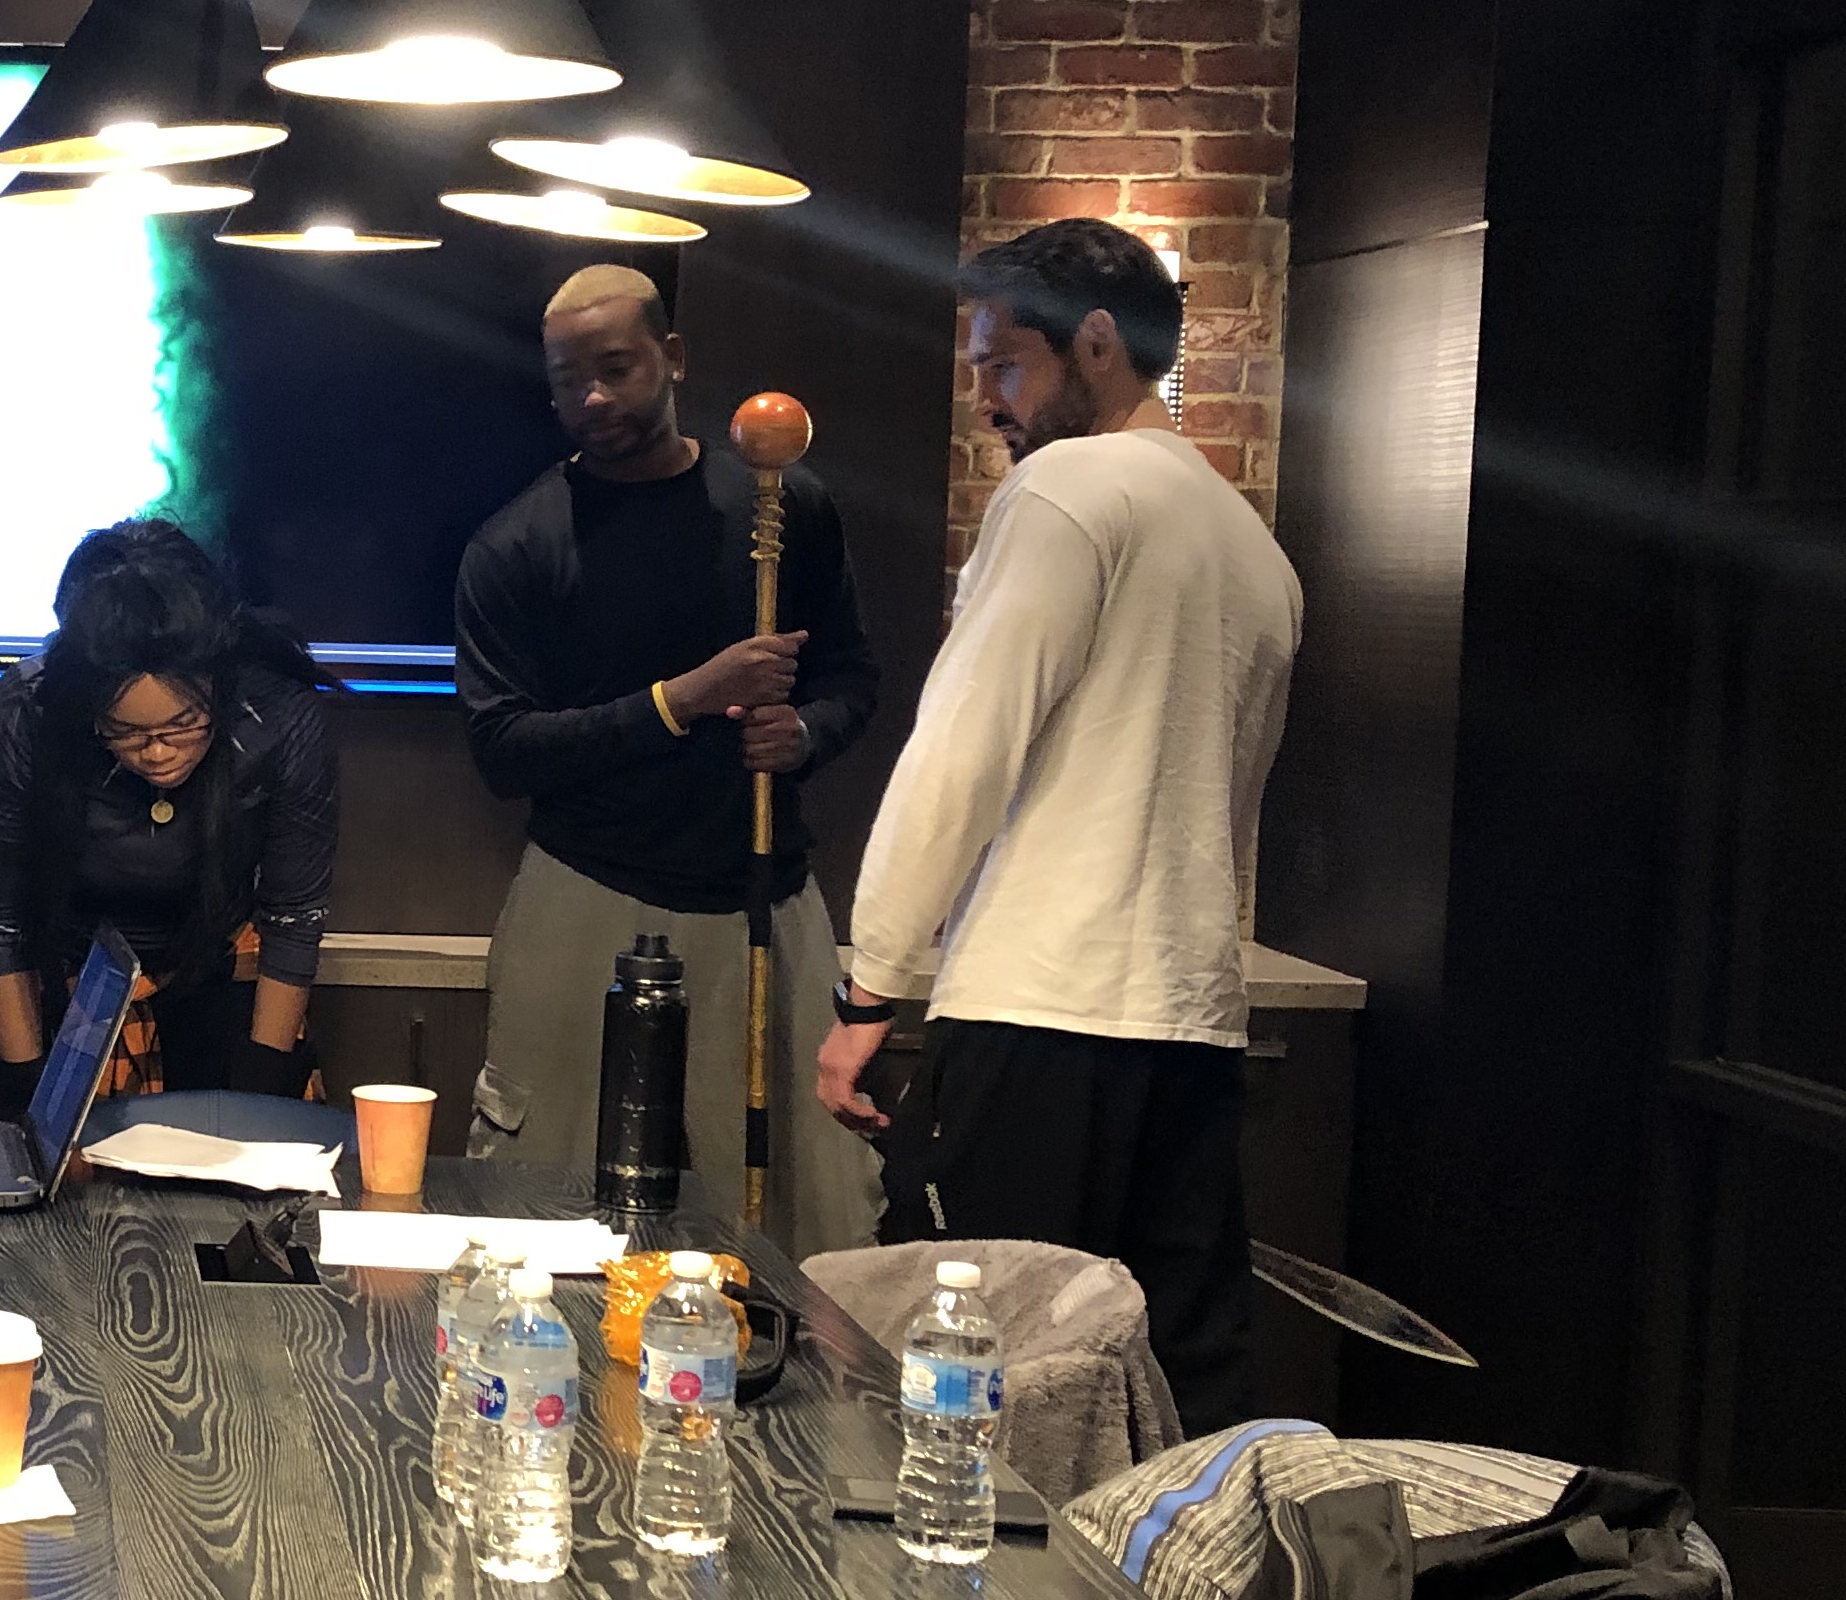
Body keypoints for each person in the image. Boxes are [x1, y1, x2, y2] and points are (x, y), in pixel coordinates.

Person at [813, 217, 1301, 1433]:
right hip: (1191, 1026)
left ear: (1094, 343)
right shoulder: (1255, 548)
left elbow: (961, 753)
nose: (987, 398)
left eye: (1004, 364)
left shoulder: (1066, 492)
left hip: (1039, 1014)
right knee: (1174, 1388)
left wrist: (871, 987)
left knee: (967, 1390)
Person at [452, 264, 885, 1251]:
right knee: (534, 1202)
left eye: (615, 369)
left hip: (759, 895)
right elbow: (504, 751)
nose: (592, 398)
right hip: (584, 891)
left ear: (673, 356)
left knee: (810, 1210)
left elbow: (851, 675)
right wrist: (680, 700)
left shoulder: (782, 507)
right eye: (568, 380)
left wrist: (804, 733)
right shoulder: (517, 545)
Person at [0, 519, 337, 1114]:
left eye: (183, 725)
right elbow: (4, 930)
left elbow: (292, 922)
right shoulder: (19, 715)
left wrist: (264, 1099)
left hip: (219, 970)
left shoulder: (281, 716)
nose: (157, 753)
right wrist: (25, 1095)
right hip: (60, 971)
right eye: (126, 733)